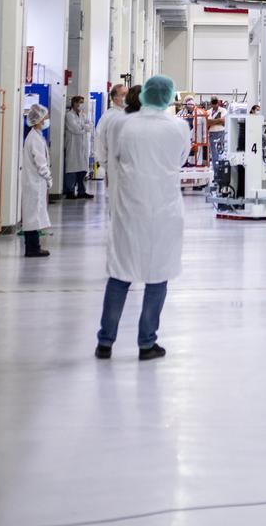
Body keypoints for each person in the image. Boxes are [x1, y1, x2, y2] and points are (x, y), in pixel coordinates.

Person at [95, 74, 191, 361]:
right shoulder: (178, 127)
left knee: (120, 274)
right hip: (165, 209)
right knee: (157, 276)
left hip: (128, 208)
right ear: (168, 96)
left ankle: (105, 342)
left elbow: (114, 158)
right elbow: (181, 159)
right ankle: (147, 343)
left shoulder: (122, 125)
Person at [22, 103, 52, 258]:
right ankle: (32, 248)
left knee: (34, 215)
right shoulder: (34, 139)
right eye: (45, 117)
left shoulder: (36, 136)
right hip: (34, 182)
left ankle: (34, 246)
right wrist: (48, 177)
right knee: (32, 216)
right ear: (39, 119)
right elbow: (40, 163)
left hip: (35, 182)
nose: (47, 119)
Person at [94, 85, 128, 185]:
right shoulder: (108, 117)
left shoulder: (127, 114)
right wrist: (106, 166)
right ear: (114, 98)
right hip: (114, 166)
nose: (127, 97)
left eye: (127, 94)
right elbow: (100, 141)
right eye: (123, 94)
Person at [64, 95, 93, 199]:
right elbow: (75, 129)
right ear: (74, 103)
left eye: (82, 102)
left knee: (82, 170)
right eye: (80, 102)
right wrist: (84, 128)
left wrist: (84, 128)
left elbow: (90, 125)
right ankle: (70, 192)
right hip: (73, 146)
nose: (81, 104)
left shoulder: (83, 115)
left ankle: (82, 191)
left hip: (83, 146)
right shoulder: (69, 115)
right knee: (71, 170)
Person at [207, 96, 227, 170]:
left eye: (216, 102)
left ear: (218, 103)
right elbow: (208, 122)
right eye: (213, 103)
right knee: (214, 154)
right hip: (212, 133)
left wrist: (212, 121)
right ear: (211, 103)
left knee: (220, 152)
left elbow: (223, 121)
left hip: (220, 132)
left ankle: (221, 172)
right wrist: (218, 120)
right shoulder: (208, 112)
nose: (215, 104)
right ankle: (216, 173)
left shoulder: (223, 110)